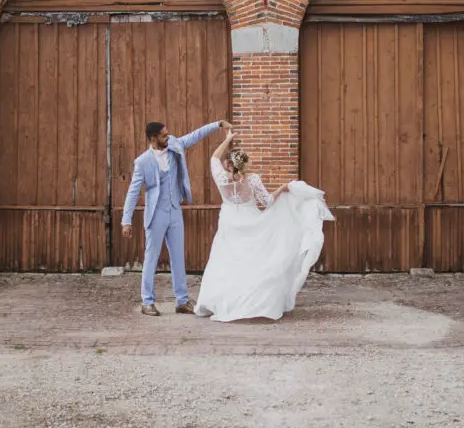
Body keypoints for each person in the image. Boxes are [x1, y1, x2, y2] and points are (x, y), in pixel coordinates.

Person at [194, 129, 334, 322]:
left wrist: (228, 139)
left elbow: (214, 157)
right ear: (244, 164)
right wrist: (283, 188)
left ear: (228, 165)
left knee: (225, 261)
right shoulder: (253, 180)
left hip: (229, 221)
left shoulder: (221, 178)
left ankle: (219, 301)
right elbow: (267, 202)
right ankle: (252, 301)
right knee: (252, 261)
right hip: (251, 220)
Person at [122, 119, 231, 316]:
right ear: (153, 138)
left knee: (178, 257)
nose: (168, 137)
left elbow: (195, 135)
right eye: (164, 135)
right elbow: (133, 192)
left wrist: (218, 124)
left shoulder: (175, 145)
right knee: (151, 258)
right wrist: (126, 220)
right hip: (155, 215)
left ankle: (181, 301)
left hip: (174, 212)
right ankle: (147, 301)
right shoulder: (142, 162)